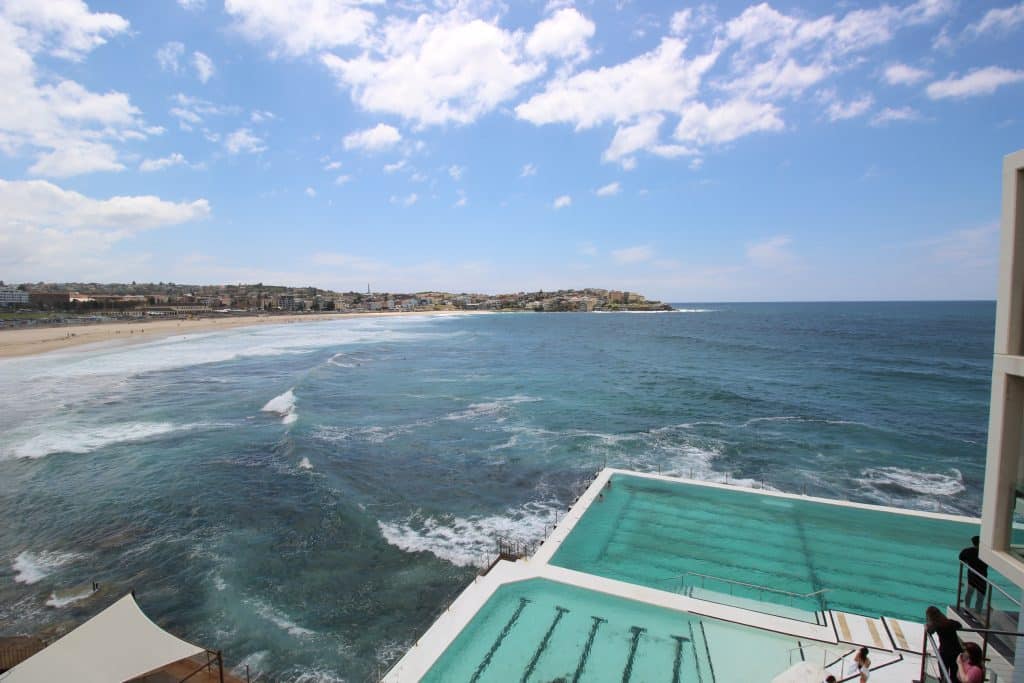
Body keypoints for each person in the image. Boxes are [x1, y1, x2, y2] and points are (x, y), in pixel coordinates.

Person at [926, 605, 963, 677]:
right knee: (954, 676)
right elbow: (959, 625)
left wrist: (928, 626)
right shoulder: (950, 623)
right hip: (956, 651)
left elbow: (930, 631)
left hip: (945, 653)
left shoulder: (936, 626)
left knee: (944, 675)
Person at [959, 536, 989, 611]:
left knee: (969, 592)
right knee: (980, 596)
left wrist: (968, 563)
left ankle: (967, 608)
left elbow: (961, 558)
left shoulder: (967, 551)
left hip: (971, 575)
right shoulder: (985, 553)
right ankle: (978, 611)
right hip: (982, 577)